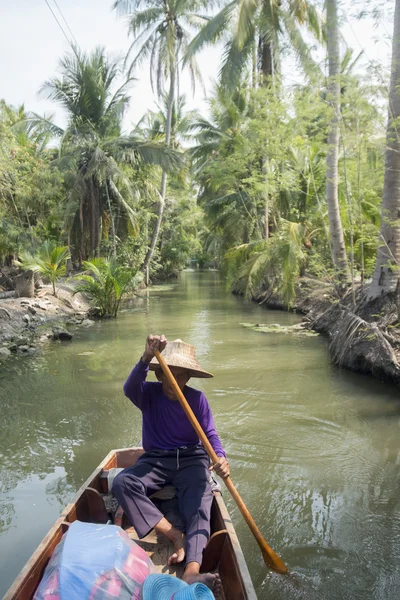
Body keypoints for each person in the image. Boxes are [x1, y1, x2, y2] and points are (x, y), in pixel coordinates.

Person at [112, 334, 230, 593]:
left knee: (201, 500)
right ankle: (175, 534)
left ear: (188, 378)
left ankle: (192, 571)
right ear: (160, 375)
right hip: (157, 460)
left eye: (181, 376)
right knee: (122, 482)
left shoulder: (197, 400)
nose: (174, 382)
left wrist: (220, 457)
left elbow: (209, 435)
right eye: (169, 374)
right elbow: (129, 388)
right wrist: (145, 357)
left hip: (191, 458)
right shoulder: (148, 394)